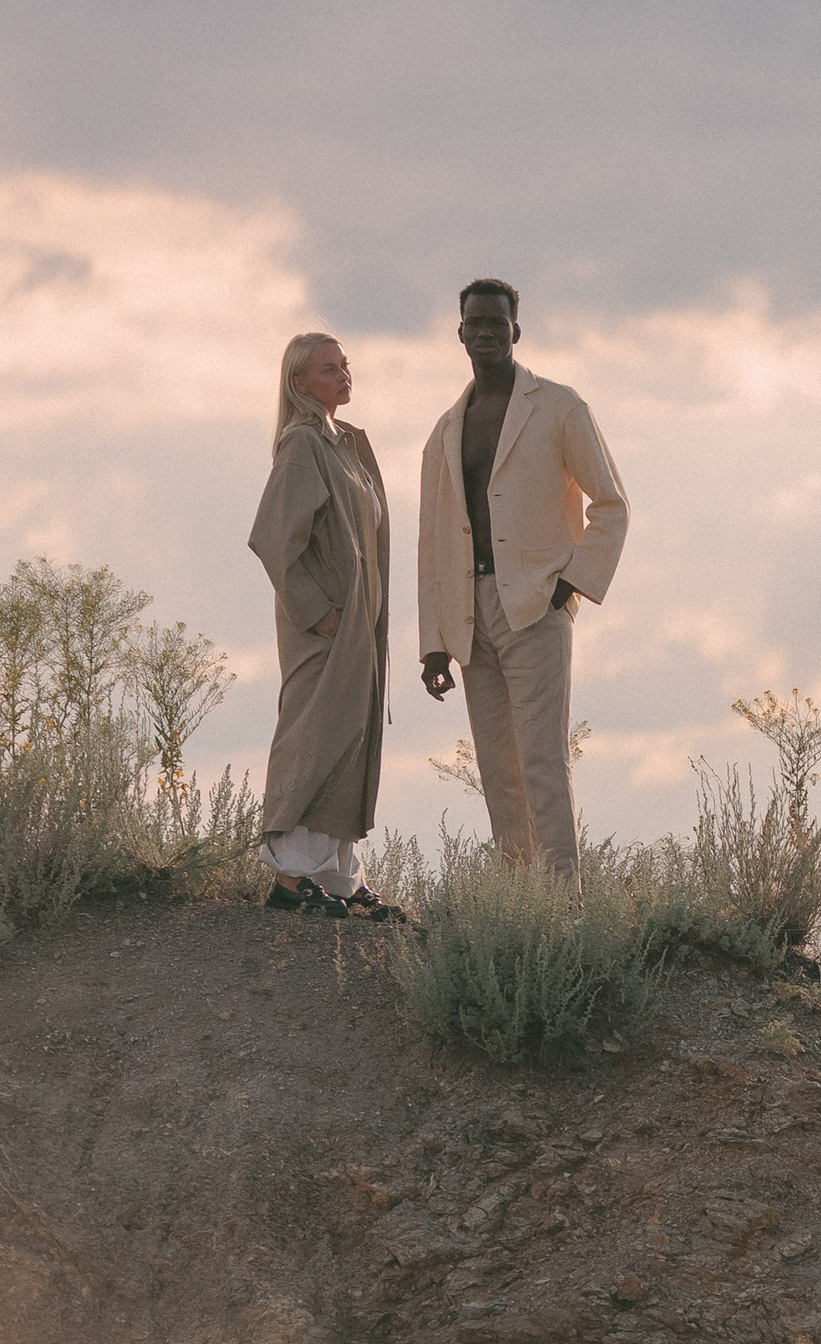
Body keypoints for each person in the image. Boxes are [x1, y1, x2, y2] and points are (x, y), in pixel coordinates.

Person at [416, 280, 630, 885]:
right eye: (474, 323)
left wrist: (572, 584)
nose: (485, 332)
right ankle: (516, 901)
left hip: (536, 604)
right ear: (459, 333)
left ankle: (563, 901)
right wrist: (433, 637)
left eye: (496, 322)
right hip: (468, 613)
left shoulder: (559, 406)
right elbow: (433, 539)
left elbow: (612, 504)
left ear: (517, 330)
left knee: (542, 760)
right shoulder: (444, 430)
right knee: (497, 769)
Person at [248, 332, 402, 920]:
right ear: (299, 383)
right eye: (328, 369)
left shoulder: (346, 445)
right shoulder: (302, 446)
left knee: (348, 737)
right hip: (325, 627)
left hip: (358, 624)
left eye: (345, 366)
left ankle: (336, 876)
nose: (343, 376)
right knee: (311, 737)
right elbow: (273, 541)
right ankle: (291, 877)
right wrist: (320, 613)